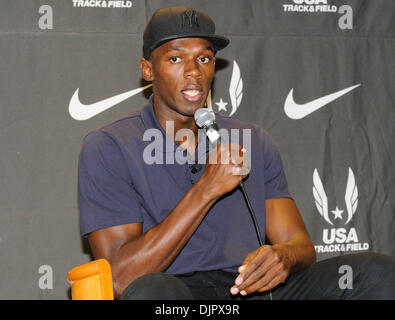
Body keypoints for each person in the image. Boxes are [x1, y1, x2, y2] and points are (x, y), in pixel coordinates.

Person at [78, 6, 395, 300]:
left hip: (249, 287)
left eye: (204, 59)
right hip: (178, 291)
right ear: (148, 69)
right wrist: (206, 188)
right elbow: (121, 277)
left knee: (374, 274)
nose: (193, 72)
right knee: (152, 292)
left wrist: (281, 257)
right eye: (175, 59)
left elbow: (299, 244)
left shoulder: (253, 139)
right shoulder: (110, 145)